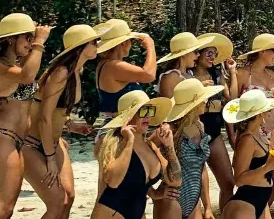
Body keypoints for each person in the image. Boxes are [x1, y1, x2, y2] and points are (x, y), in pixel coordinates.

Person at [22, 24, 99, 219]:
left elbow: (54, 111)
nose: (97, 45)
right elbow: (44, 118)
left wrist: (70, 126)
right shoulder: (61, 73)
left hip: (53, 142)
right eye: (93, 42)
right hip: (33, 145)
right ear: (80, 47)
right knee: (57, 202)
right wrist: (49, 159)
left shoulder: (75, 72)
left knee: (69, 197)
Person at [92, 91, 180, 219]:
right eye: (143, 111)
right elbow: (113, 181)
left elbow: (175, 180)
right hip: (110, 212)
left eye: (150, 110)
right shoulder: (111, 142)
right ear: (129, 115)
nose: (148, 116)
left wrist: (169, 146)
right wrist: (129, 141)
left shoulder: (150, 146)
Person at [0, 13, 50, 219]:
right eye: (27, 38)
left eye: (32, 38)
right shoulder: (2, 66)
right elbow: (27, 77)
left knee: (7, 207)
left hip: (16, 141)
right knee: (4, 208)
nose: (31, 43)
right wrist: (39, 42)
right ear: (11, 38)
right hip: (4, 139)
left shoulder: (16, 65)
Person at [157, 78, 225, 219]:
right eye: (203, 99)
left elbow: (201, 168)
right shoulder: (169, 129)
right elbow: (141, 154)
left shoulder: (200, 126)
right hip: (172, 198)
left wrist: (207, 206)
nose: (206, 101)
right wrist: (151, 192)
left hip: (194, 200)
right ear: (193, 105)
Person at [237, 34, 274, 208]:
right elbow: (233, 104)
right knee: (250, 178)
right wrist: (232, 134)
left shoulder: (272, 75)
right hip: (251, 130)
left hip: (271, 129)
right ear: (261, 52)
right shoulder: (243, 73)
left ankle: (261, 210)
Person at [193, 33, 239, 214]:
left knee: (228, 182)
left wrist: (233, 72)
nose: (213, 57)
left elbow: (232, 99)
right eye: (209, 53)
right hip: (193, 136)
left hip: (214, 134)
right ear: (198, 53)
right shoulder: (187, 76)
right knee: (195, 187)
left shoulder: (216, 73)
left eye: (215, 53)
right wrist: (198, 88)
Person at [222, 90, 274, 219]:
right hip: (245, 203)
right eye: (267, 110)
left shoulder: (258, 136)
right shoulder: (248, 139)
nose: (269, 113)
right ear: (261, 113)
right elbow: (239, 180)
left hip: (260, 201)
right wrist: (268, 167)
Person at [94, 19, 158, 123]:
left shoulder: (105, 65)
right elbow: (149, 75)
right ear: (123, 43)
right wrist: (150, 46)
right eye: (130, 40)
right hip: (120, 127)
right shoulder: (113, 66)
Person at [158, 33, 217, 98]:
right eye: (195, 52)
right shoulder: (171, 76)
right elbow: (169, 105)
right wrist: (198, 88)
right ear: (184, 54)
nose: (198, 55)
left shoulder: (190, 73)